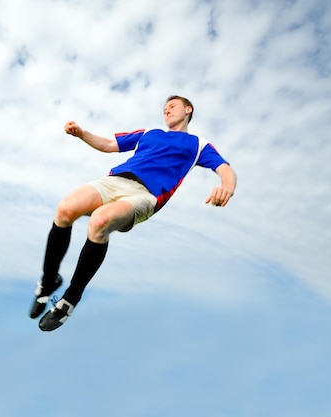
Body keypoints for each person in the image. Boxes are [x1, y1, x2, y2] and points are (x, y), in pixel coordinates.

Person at [30, 95, 237, 331]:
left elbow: (225, 169)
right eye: (164, 108)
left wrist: (226, 188)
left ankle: (71, 298)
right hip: (115, 181)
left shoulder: (199, 145)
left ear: (188, 110)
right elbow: (110, 145)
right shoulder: (150, 133)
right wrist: (82, 133)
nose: (166, 110)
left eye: (172, 106)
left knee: (100, 221)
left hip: (145, 195)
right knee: (65, 209)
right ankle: (48, 282)